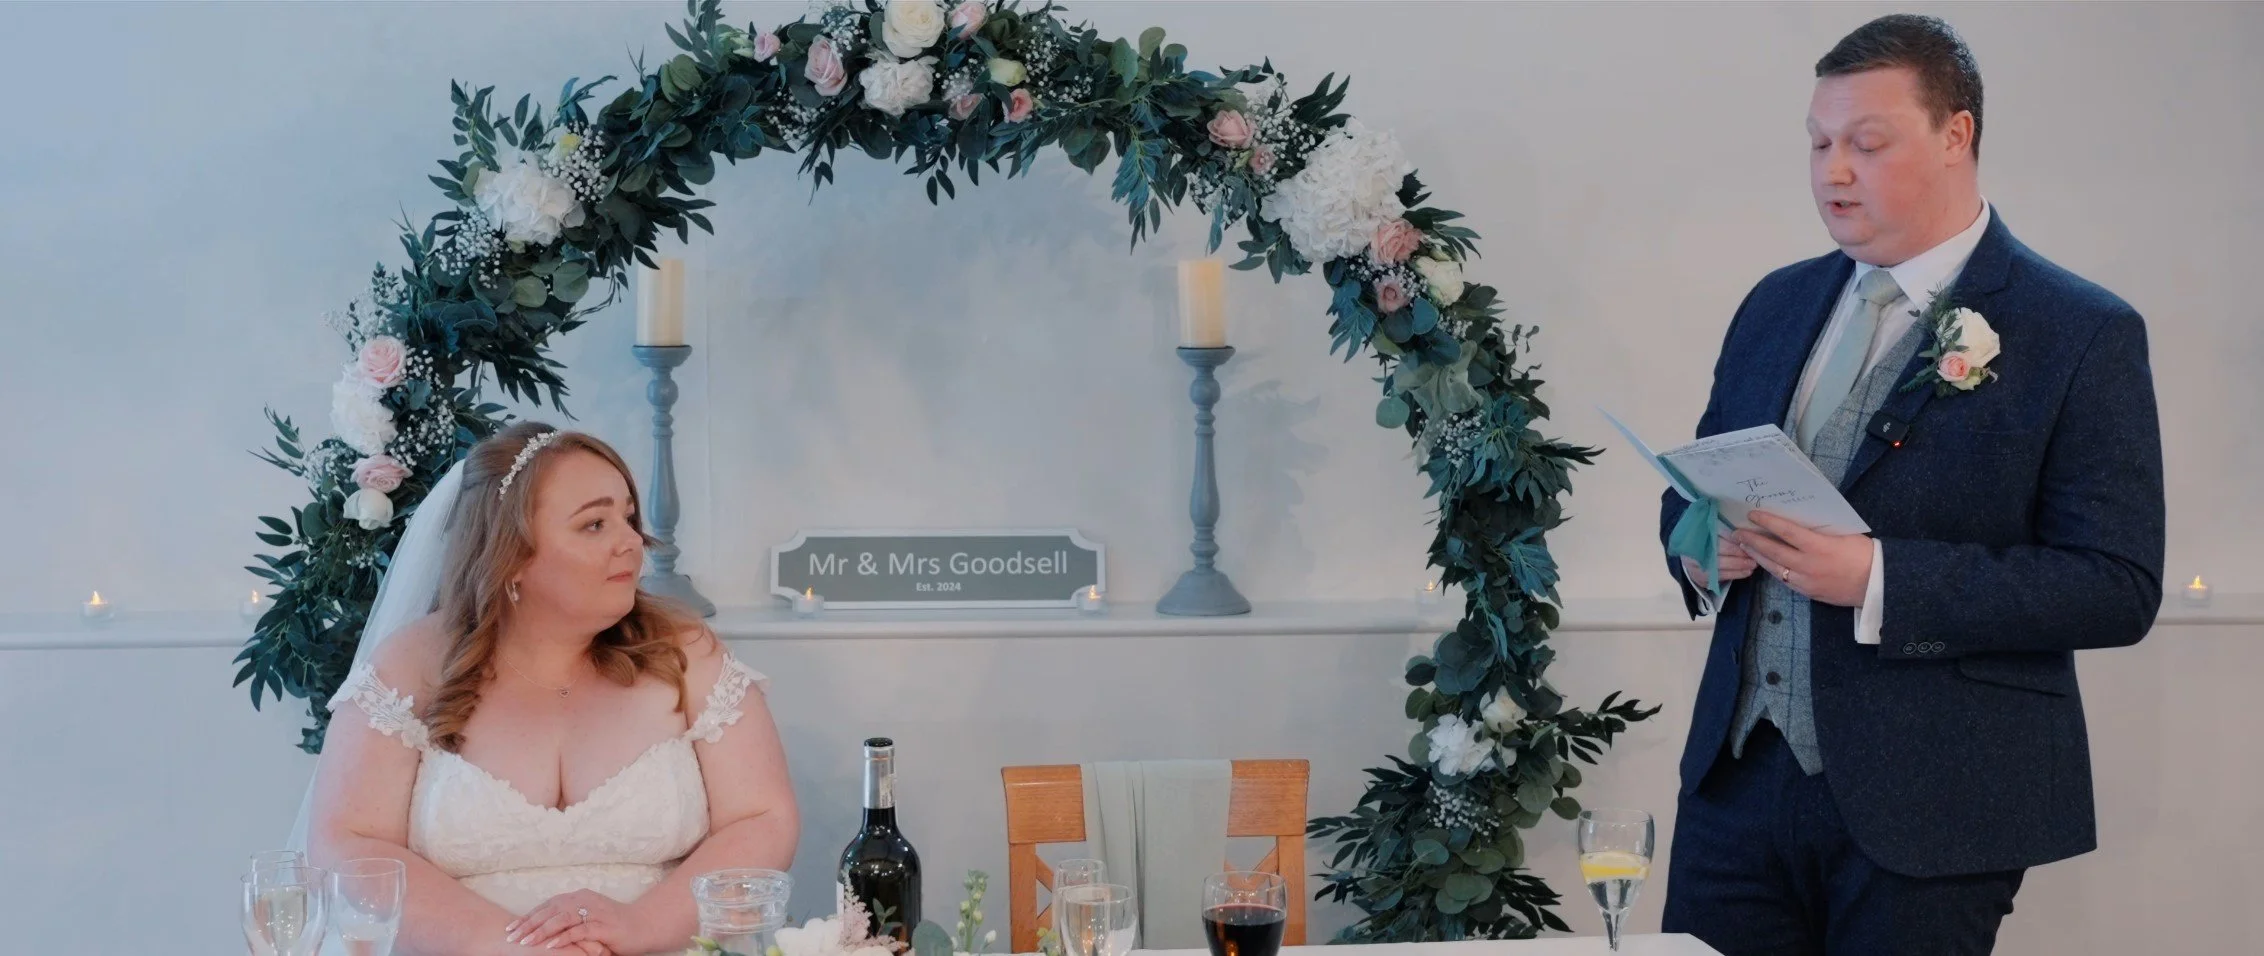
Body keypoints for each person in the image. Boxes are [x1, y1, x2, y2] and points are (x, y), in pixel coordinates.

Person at [1656, 15, 2164, 955]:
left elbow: (2116, 585)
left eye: (1866, 143)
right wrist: (1702, 545)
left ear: (1955, 135)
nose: (1831, 170)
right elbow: (1692, 491)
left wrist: (1880, 580)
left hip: (1936, 808)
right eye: (1817, 142)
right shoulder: (1774, 303)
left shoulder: (2081, 331)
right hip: (1735, 788)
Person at [304, 422, 799, 955]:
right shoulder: (411, 664)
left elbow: (762, 818)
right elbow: (348, 844)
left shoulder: (685, 651)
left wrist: (641, 927)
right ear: (512, 554)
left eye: (628, 518)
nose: (632, 541)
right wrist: (516, 947)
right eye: (594, 524)